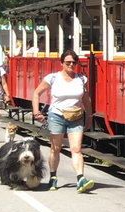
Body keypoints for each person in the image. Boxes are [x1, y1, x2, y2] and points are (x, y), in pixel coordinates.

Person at [31, 49, 96, 193]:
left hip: (76, 117)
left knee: (76, 149)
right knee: (56, 149)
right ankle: (53, 177)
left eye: (74, 62)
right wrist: (36, 112)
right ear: (62, 63)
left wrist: (90, 115)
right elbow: (36, 93)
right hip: (56, 116)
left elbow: (85, 98)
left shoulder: (81, 79)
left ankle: (80, 179)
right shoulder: (52, 78)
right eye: (68, 62)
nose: (71, 65)